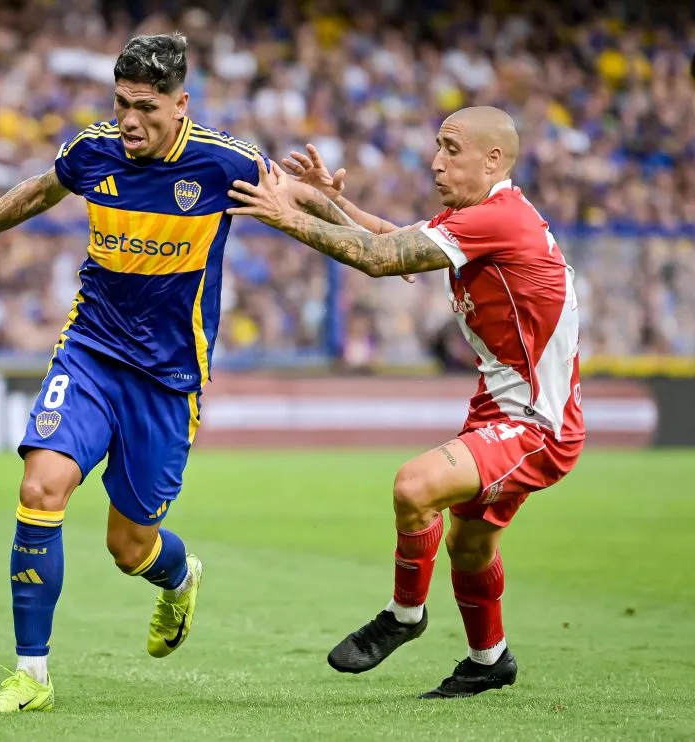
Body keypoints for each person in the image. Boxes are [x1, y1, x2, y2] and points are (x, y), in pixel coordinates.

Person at [0, 32, 269, 713]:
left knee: (130, 548)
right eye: (122, 104)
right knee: (42, 487)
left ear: (181, 104)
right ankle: (30, 677)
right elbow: (42, 188)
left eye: (147, 108)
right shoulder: (93, 149)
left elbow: (294, 202)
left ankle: (179, 575)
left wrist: (336, 207)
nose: (131, 121)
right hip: (92, 352)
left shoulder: (226, 163)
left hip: (166, 380)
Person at [227, 106, 585, 698]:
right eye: (436, 147)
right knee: (469, 545)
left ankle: (404, 614)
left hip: (535, 427)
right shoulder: (477, 217)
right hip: (499, 414)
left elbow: (378, 259)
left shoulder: (500, 219)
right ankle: (488, 659)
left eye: (451, 149)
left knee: (414, 487)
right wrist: (321, 199)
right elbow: (388, 239)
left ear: (493, 159)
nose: (436, 161)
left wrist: (287, 217)